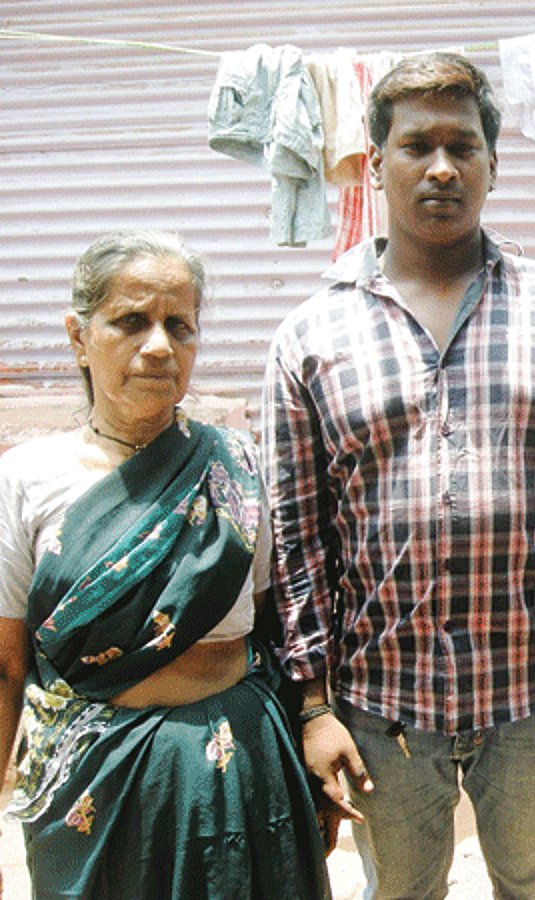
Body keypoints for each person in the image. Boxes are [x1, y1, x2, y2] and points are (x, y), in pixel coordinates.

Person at [260, 52, 535, 899]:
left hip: (531, 692)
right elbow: (297, 538)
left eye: (463, 145)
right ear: (375, 161)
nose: (440, 167)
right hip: (382, 701)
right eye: (416, 144)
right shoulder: (310, 334)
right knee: (400, 892)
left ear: (493, 166)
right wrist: (313, 707)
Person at [0, 231, 330, 898]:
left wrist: (310, 740)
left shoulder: (237, 469)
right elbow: (6, 668)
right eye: (130, 321)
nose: (159, 346)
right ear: (77, 336)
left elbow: (271, 627)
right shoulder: (27, 480)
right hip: (93, 777)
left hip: (237, 766)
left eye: (180, 326)